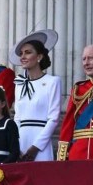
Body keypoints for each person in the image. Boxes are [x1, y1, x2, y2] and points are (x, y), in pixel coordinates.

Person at [9, 29, 62, 162]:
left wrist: (36, 147)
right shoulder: (19, 83)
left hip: (41, 144)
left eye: (28, 52)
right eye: (21, 53)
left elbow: (53, 119)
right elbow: (17, 118)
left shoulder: (52, 82)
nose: (23, 57)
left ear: (39, 57)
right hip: (21, 142)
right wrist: (16, 146)